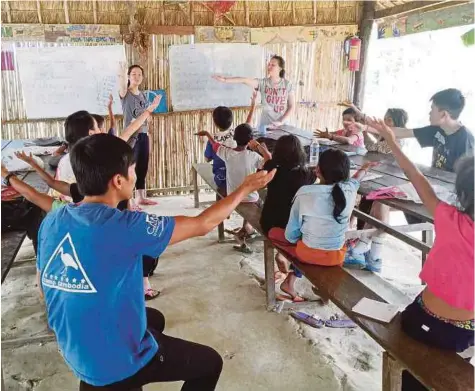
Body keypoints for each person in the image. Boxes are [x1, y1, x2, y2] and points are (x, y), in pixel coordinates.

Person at [36, 133, 275, 390]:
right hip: (113, 363)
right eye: (133, 170)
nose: (135, 175)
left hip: (73, 348)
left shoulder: (53, 219)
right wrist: (244, 189)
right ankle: (131, 373)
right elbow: (202, 223)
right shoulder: (123, 226)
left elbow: (43, 287)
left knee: (154, 318)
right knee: (210, 363)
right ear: (118, 181)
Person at [370, 119, 474, 391]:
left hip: (420, 320)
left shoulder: (447, 216)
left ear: (462, 194)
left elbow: (415, 176)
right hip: (462, 334)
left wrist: (391, 141)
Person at [268, 149, 376, 301]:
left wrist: (304, 237)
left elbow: (291, 235)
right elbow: (357, 178)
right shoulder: (350, 189)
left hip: (307, 254)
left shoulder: (305, 192)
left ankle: (290, 276)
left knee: (275, 233)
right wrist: (364, 168)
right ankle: (291, 281)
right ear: (345, 174)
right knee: (316, 239)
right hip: (336, 257)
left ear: (317, 170)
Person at [345, 107, 410, 271]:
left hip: (394, 182)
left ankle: (364, 250)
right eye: (385, 118)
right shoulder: (385, 137)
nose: (385, 122)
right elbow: (370, 146)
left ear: (398, 124)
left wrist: (364, 128)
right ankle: (372, 256)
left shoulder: (398, 139)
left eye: (389, 120)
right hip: (384, 179)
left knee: (379, 207)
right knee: (375, 206)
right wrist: (364, 131)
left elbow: (376, 149)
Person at [197, 123, 271, 253]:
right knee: (263, 203)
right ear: (250, 140)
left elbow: (214, 145)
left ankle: (245, 230)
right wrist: (259, 146)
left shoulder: (226, 153)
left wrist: (208, 134)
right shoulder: (253, 156)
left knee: (251, 205)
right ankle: (247, 230)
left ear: (234, 139)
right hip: (251, 199)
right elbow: (269, 159)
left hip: (233, 197)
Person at [366, 88, 473, 172]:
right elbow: (403, 132)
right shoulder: (437, 130)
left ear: (444, 114)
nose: (429, 113)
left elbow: (464, 180)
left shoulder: (465, 141)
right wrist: (371, 127)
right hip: (436, 183)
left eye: (432, 109)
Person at [259, 135, 316, 282]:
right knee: (314, 233)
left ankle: (282, 255)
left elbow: (269, 162)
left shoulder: (271, 167)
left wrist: (265, 153)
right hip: (288, 228)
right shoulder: (305, 175)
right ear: (300, 153)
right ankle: (286, 262)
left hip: (267, 222)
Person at [212, 55, 295, 130]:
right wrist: (225, 80)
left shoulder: (287, 84)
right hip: (265, 127)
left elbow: (291, 106)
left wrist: (281, 121)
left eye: (273, 65)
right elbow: (244, 80)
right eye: (269, 64)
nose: (269, 66)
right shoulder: (263, 83)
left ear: (280, 68)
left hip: (283, 126)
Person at [119, 63, 158, 206]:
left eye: (139, 74)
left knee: (143, 166)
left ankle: (140, 197)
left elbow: (146, 116)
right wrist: (121, 72)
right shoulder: (125, 93)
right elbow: (121, 82)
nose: (137, 76)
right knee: (130, 168)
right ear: (128, 76)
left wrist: (150, 112)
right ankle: (128, 200)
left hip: (143, 135)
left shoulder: (142, 94)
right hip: (131, 136)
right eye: (133, 74)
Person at [204, 105, 236, 194]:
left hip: (222, 179)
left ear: (215, 122)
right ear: (231, 120)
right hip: (237, 176)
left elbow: (207, 159)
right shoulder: (236, 134)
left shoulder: (212, 139)